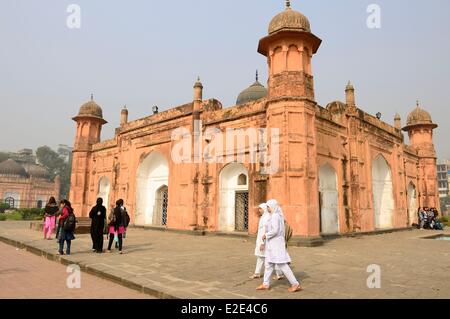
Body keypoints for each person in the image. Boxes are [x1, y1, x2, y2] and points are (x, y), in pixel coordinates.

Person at [256, 199, 302, 293]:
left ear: (273, 207)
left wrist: (266, 235)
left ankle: (295, 284)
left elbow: (275, 230)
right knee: (268, 264)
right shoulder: (275, 216)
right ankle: (265, 283)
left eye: (268, 207)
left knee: (282, 264)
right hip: (272, 244)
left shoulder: (275, 216)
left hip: (276, 244)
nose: (267, 208)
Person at [250, 203, 283, 280]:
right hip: (261, 240)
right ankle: (257, 273)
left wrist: (263, 243)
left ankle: (279, 273)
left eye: (261, 208)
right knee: (260, 256)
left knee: (272, 258)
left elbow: (268, 231)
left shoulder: (268, 218)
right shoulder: (263, 217)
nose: (259, 210)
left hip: (265, 241)